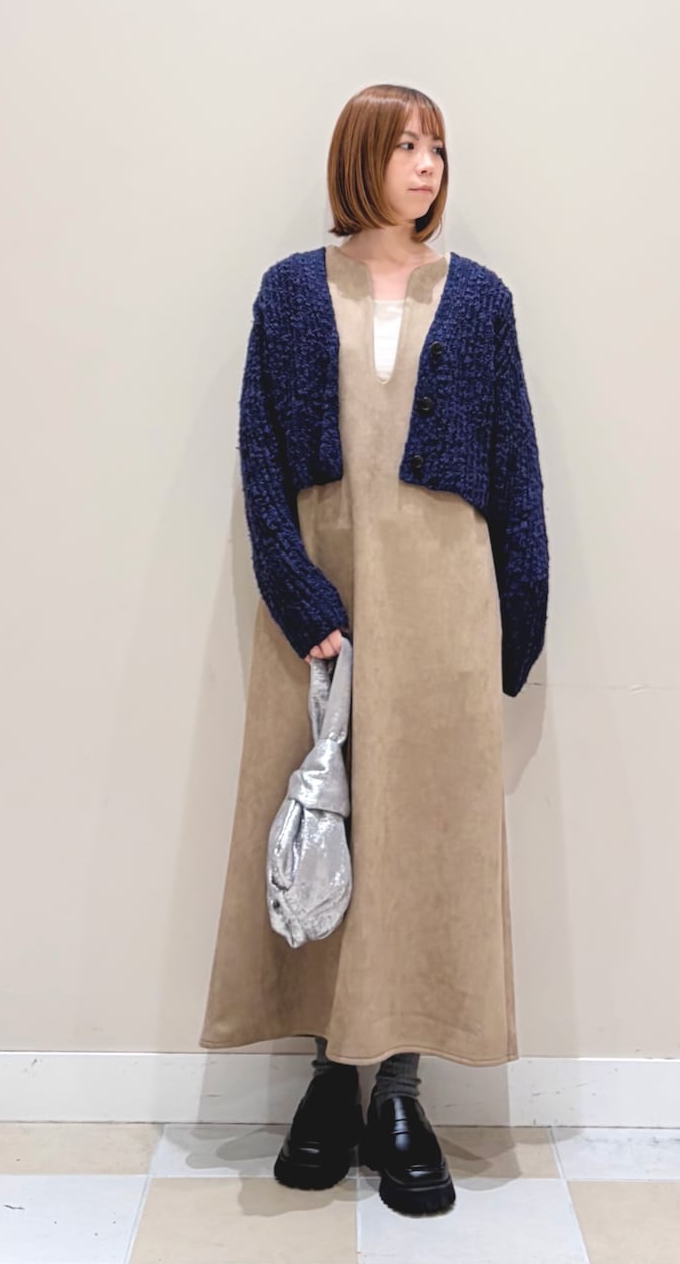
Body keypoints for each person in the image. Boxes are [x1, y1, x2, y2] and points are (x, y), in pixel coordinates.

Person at [199, 83, 550, 1218]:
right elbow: (260, 454)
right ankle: (327, 1080)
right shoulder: (290, 290)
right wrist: (298, 593)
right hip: (325, 604)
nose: (427, 164)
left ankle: (398, 1087)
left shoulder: (481, 298)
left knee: (423, 834)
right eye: (405, 145)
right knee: (319, 821)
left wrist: (521, 612)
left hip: (445, 604)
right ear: (359, 157)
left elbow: (514, 462)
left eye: (437, 146)